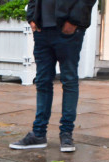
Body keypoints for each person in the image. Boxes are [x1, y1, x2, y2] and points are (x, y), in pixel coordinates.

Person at [7, 0, 97, 154]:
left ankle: (66, 134)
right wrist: (32, 18)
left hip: (68, 30)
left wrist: (74, 21)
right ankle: (38, 134)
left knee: (69, 81)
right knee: (42, 82)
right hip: (43, 30)